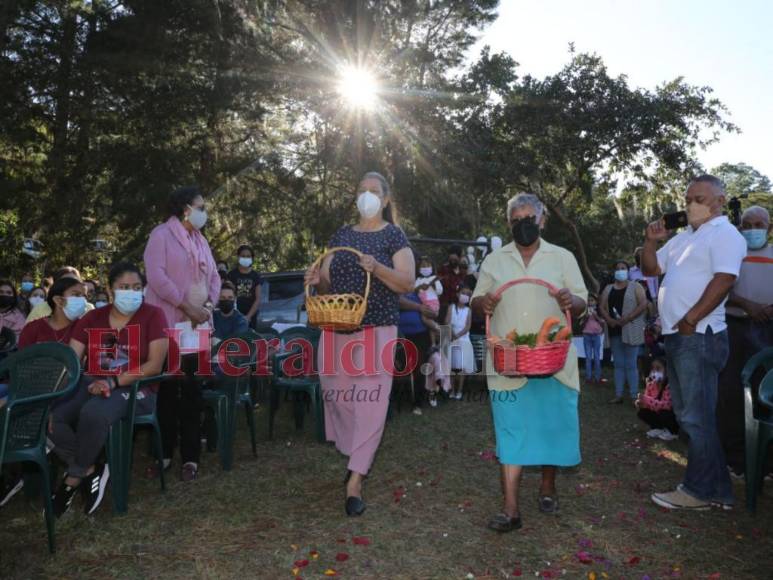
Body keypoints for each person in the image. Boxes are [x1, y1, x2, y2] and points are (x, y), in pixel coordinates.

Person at [471, 192, 587, 533]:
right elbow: (478, 300)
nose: (524, 225)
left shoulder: (562, 257)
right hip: (509, 359)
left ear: (542, 220)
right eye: (516, 220)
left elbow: (582, 300)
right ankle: (510, 509)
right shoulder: (495, 260)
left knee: (550, 426)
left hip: (552, 357)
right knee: (510, 430)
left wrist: (572, 300)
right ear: (509, 224)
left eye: (529, 219)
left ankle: (548, 486)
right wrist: (485, 303)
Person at [305, 171, 414, 517]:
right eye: (361, 190)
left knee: (370, 403)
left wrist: (378, 268)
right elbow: (326, 286)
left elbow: (407, 282)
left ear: (384, 200)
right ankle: (356, 455)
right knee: (337, 394)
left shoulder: (394, 236)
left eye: (373, 191)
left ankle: (355, 480)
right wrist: (316, 279)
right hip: (336, 327)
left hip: (377, 331)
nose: (365, 196)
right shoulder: (341, 235)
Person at [641, 174, 747, 511]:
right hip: (678, 336)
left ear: (719, 200)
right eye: (688, 199)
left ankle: (697, 492)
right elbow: (651, 267)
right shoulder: (684, 237)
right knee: (694, 416)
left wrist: (690, 319)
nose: (691, 205)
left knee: (695, 418)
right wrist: (650, 240)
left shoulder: (725, 233)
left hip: (699, 336)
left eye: (699, 199)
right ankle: (718, 491)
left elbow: (725, 279)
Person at [50, 262, 168, 516]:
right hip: (93, 381)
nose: (131, 292)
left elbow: (155, 365)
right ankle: (90, 468)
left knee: (93, 413)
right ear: (110, 288)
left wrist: (114, 381)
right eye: (124, 287)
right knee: (51, 416)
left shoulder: (153, 315)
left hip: (137, 387)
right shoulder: (92, 318)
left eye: (137, 287)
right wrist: (53, 393)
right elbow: (71, 361)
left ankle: (71, 480)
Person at [144, 186, 221, 482]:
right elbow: (157, 276)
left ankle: (190, 458)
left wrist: (207, 307)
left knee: (192, 391)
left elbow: (213, 276)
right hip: (167, 324)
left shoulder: (201, 240)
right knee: (166, 391)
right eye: (201, 206)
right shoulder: (161, 235)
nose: (205, 212)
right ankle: (162, 454)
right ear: (185, 208)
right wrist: (186, 306)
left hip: (197, 325)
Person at [718, 205, 773, 479]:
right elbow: (720, 290)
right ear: (740, 228)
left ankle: (766, 462)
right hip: (735, 328)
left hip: (769, 330)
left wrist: (766, 309)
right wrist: (748, 305)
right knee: (731, 391)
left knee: (766, 391)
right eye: (747, 225)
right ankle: (736, 459)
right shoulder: (733, 255)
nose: (753, 230)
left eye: (759, 224)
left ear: (770, 227)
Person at [599, 261, 648, 404]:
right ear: (614, 272)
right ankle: (618, 394)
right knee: (619, 364)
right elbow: (601, 306)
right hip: (614, 330)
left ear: (627, 271)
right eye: (617, 268)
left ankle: (634, 395)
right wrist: (608, 319)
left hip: (631, 329)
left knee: (631, 364)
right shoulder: (608, 289)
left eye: (623, 268)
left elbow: (643, 303)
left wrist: (629, 317)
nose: (620, 271)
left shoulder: (636, 286)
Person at [18, 277, 86, 349]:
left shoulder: (84, 330)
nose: (82, 300)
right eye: (76, 295)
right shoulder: (32, 329)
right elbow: (22, 358)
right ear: (58, 300)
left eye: (84, 296)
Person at [398, 289, 434, 416]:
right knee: (399, 368)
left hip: (420, 335)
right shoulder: (396, 290)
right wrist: (419, 308)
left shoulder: (421, 292)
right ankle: (398, 400)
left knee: (419, 368)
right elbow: (398, 302)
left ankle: (418, 402)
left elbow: (432, 310)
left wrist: (428, 311)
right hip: (400, 335)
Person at [27, 267, 94, 322]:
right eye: (66, 282)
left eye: (75, 282)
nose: (71, 286)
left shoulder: (89, 309)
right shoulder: (39, 309)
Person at [636, 358, 679, 441]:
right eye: (653, 368)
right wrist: (641, 403)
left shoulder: (669, 386)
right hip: (658, 412)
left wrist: (646, 400)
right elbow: (648, 403)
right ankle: (658, 428)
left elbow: (667, 405)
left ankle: (672, 432)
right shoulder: (651, 385)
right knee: (642, 412)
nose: (655, 371)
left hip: (670, 415)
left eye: (658, 368)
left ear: (666, 371)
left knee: (664, 413)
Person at [446, 286, 475, 401]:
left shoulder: (469, 310)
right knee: (452, 367)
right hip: (451, 339)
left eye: (468, 294)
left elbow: (468, 326)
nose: (465, 296)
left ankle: (460, 391)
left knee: (462, 368)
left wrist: (458, 335)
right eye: (463, 293)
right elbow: (447, 321)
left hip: (463, 340)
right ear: (458, 294)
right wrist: (452, 334)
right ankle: (452, 390)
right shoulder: (451, 307)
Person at [227, 245, 262, 327]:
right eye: (243, 256)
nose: (245, 258)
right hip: (233, 316)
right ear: (238, 257)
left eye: (248, 256)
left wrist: (248, 317)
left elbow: (258, 299)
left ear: (252, 258)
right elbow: (228, 296)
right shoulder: (231, 275)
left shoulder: (255, 276)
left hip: (251, 317)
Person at [414, 258, 443, 344]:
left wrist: (433, 285)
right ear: (419, 268)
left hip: (432, 302)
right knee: (430, 324)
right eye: (423, 266)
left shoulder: (434, 278)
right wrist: (419, 287)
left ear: (432, 268)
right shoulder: (418, 279)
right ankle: (433, 344)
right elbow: (413, 290)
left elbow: (440, 291)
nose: (425, 267)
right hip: (423, 302)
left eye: (428, 265)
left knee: (425, 319)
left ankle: (440, 330)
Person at [437, 245, 466, 323]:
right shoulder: (443, 269)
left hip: (459, 307)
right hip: (445, 305)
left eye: (455, 260)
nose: (452, 261)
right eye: (451, 259)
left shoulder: (463, 270)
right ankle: (445, 335)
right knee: (445, 331)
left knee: (458, 328)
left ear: (459, 258)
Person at [580, 294, 605, 385]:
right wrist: (586, 317)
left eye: (592, 300)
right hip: (586, 335)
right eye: (589, 300)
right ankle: (588, 377)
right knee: (588, 357)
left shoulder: (599, 311)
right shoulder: (584, 311)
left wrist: (596, 316)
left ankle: (597, 377)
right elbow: (581, 324)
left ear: (596, 302)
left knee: (597, 357)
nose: (590, 302)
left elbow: (603, 322)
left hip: (596, 336)